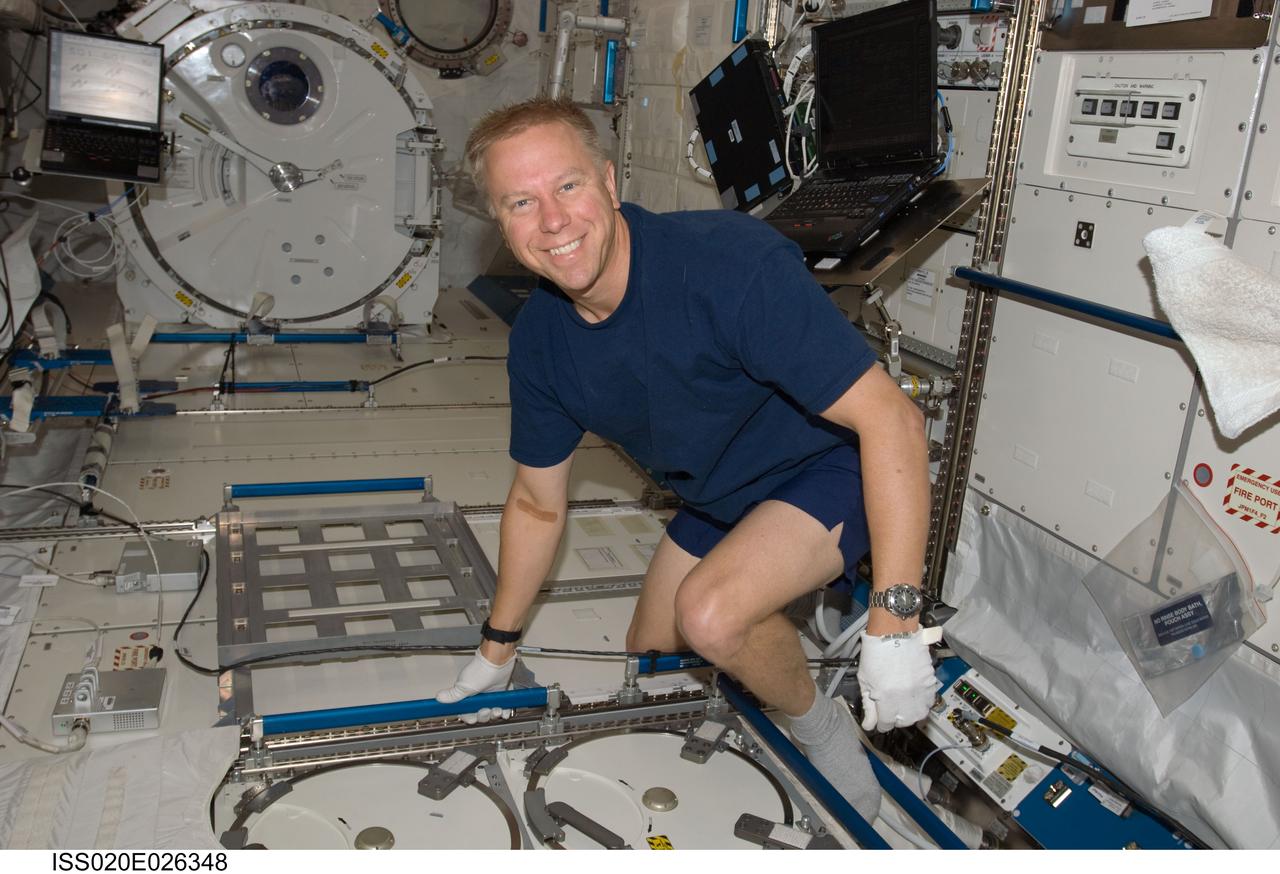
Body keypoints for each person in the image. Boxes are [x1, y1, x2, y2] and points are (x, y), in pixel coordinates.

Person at [438, 97, 937, 821]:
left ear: (609, 184)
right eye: (522, 201)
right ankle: (766, 616)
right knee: (653, 656)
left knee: (710, 617)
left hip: (828, 468)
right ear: (501, 224)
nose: (552, 221)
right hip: (719, 491)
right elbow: (537, 502)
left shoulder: (724, 262)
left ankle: (818, 722)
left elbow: (894, 420)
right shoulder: (541, 341)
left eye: (567, 186)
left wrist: (895, 623)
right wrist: (497, 645)